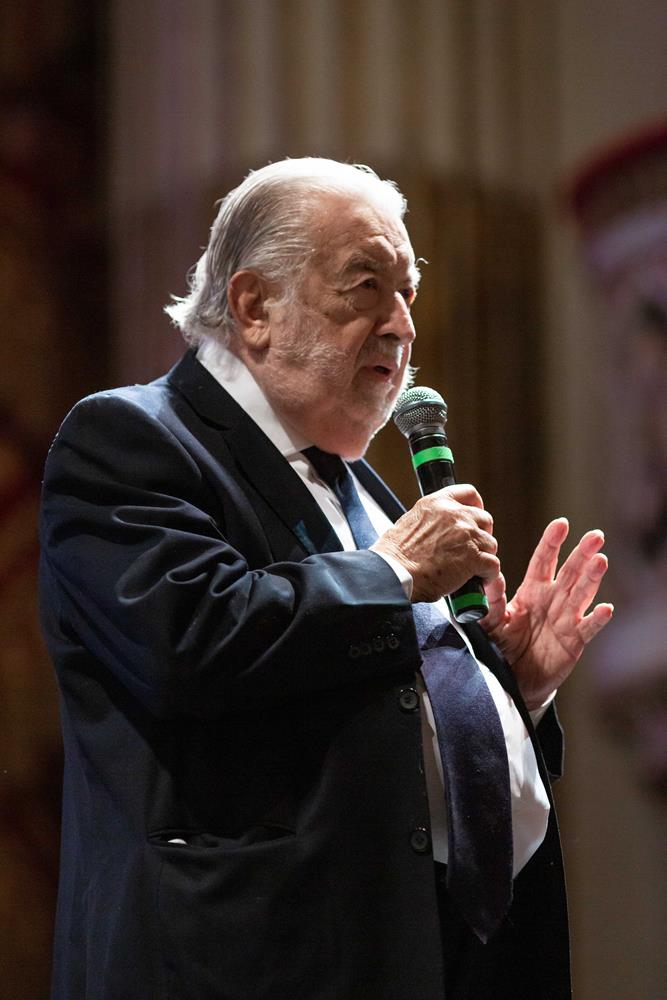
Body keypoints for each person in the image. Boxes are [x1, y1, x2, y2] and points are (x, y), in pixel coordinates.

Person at [39, 158, 613, 1000]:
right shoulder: (131, 440)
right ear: (253, 306)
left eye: (408, 293)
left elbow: (355, 688)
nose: (401, 325)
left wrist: (501, 692)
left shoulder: (356, 488)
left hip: (428, 952)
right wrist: (393, 570)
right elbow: (189, 641)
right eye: (365, 286)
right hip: (252, 962)